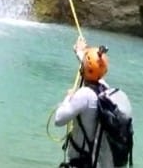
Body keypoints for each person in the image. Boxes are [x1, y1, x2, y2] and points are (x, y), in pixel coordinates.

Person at [54, 38, 134, 167]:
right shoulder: (105, 90)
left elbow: (58, 119)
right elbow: (92, 68)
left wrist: (68, 97)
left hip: (80, 163)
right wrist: (80, 52)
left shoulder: (84, 95)